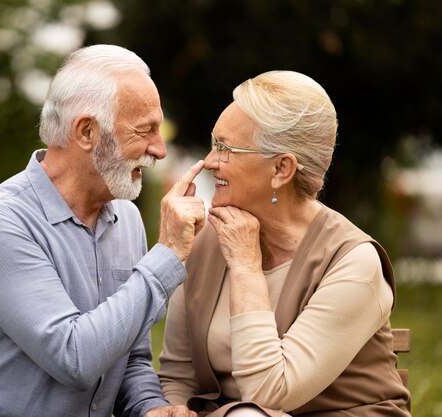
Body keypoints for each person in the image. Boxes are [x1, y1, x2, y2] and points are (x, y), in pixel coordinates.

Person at [0, 44, 205, 417]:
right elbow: (75, 357)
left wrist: (149, 407)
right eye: (145, 130)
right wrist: (166, 256)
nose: (159, 149)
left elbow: (130, 357)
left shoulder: (127, 219)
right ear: (87, 131)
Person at [158, 70, 412, 416]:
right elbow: (177, 374)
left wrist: (246, 266)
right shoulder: (206, 242)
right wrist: (173, 408)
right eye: (213, 143)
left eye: (225, 148)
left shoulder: (354, 263)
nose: (210, 162)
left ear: (281, 169)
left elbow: (269, 394)